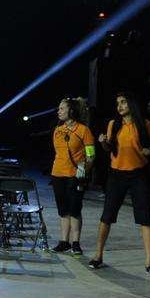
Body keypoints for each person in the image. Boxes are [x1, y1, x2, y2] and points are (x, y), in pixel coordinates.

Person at [91, 92, 150, 274]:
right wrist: (103, 142)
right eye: (117, 103)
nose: (119, 106)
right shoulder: (114, 124)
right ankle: (98, 255)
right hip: (117, 175)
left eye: (123, 102)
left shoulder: (144, 124)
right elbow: (108, 149)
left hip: (139, 175)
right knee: (107, 216)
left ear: (131, 104)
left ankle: (149, 261)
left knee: (145, 218)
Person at [49, 97, 95, 255]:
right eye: (59, 108)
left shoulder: (83, 130)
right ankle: (64, 241)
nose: (59, 111)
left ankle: (76, 242)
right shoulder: (58, 130)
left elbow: (91, 154)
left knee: (75, 209)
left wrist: (84, 170)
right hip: (57, 174)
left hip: (75, 175)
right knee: (63, 210)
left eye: (62, 108)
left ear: (71, 111)